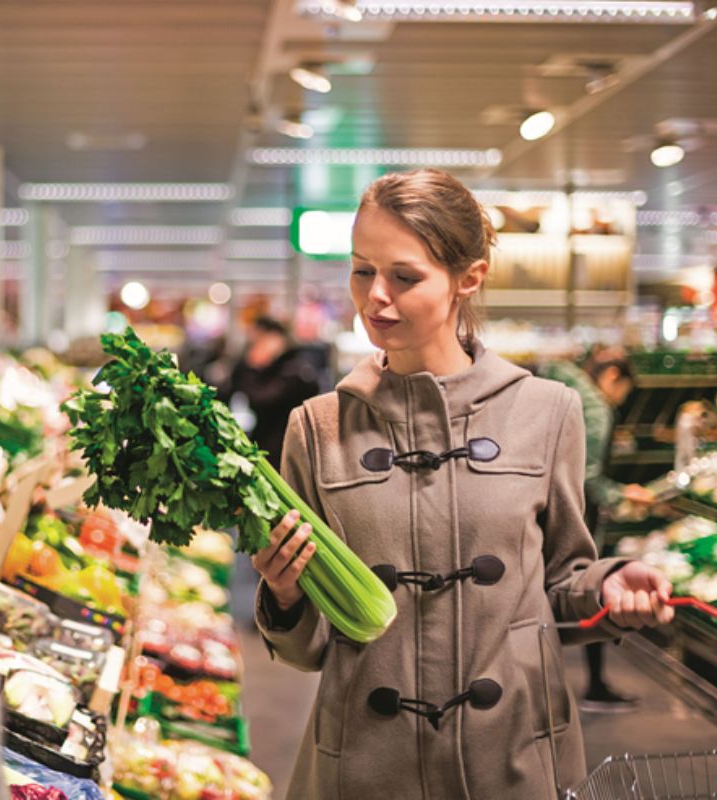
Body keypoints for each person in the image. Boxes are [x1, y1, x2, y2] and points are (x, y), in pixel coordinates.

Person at [250, 169, 674, 799]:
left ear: (468, 278)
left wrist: (608, 585)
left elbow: (559, 585)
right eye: (362, 270)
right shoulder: (316, 428)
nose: (375, 297)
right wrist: (284, 594)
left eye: (405, 276)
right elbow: (309, 647)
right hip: (365, 765)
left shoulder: (547, 413)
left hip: (510, 758)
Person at [541, 350, 655, 713]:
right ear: (613, 377)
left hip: (541, 513)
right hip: (574, 517)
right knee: (589, 589)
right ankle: (594, 686)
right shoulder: (594, 408)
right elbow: (587, 479)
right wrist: (623, 494)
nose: (620, 400)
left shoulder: (555, 386)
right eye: (624, 391)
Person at [220, 316, 321, 470]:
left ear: (275, 339)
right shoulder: (268, 369)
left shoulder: (294, 370)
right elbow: (229, 391)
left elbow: (262, 399)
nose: (256, 347)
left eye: (260, 340)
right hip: (266, 444)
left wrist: (253, 366)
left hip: (285, 450)